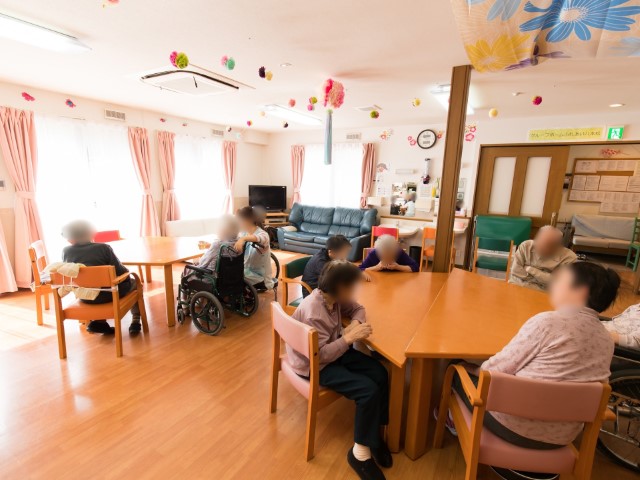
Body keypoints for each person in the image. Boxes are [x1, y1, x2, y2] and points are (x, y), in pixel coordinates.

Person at [451, 262, 619, 479]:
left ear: (581, 291)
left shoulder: (546, 322)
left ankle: (451, 420)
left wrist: (468, 367)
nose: (553, 285)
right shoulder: (606, 340)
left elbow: (494, 369)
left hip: (512, 427)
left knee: (456, 371)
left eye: (560, 281)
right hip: (562, 437)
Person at [287, 261, 391, 480]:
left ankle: (374, 435)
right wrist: (349, 338)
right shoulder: (315, 312)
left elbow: (358, 308)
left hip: (331, 351)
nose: (354, 291)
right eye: (352, 287)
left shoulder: (332, 298)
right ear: (342, 287)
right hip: (315, 364)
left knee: (380, 373)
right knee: (368, 391)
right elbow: (321, 356)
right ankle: (359, 454)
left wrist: (354, 324)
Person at [61, 220, 141, 335]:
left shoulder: (66, 251)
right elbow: (120, 272)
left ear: (71, 237)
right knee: (134, 282)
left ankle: (100, 322)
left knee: (97, 285)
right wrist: (127, 272)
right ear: (89, 232)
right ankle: (135, 321)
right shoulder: (103, 248)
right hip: (109, 295)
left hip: (85, 296)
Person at [509, 225, 577, 291]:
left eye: (545, 245)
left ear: (557, 246)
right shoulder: (526, 246)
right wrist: (543, 279)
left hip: (542, 294)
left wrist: (530, 270)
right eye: (538, 241)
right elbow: (515, 271)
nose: (538, 246)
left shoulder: (569, 258)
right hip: (516, 287)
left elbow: (559, 284)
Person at [235, 206, 273, 292]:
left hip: (260, 277)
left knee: (232, 276)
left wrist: (243, 239)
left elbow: (258, 238)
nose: (238, 224)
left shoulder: (263, 234)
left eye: (240, 221)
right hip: (248, 271)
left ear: (248, 220)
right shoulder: (244, 233)